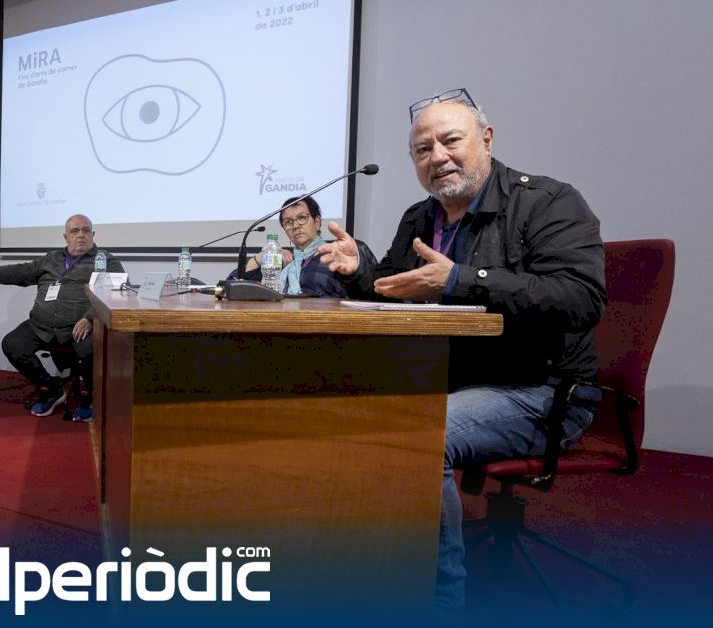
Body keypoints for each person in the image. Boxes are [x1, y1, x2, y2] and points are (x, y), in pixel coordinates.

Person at [317, 89, 607, 612]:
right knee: (337, 409)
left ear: (487, 140)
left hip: (541, 390)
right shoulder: (419, 217)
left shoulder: (548, 202)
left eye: (450, 141)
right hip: (451, 381)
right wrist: (359, 269)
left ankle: (438, 603)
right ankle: (366, 565)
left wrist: (462, 279)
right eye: (422, 150)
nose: (438, 157)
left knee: (418, 435)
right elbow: (395, 290)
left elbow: (580, 299)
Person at [0, 214, 124, 421]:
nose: (81, 235)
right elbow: (19, 271)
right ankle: (50, 387)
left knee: (89, 348)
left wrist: (90, 318)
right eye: (75, 231)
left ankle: (85, 398)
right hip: (41, 326)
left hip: (79, 328)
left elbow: (116, 293)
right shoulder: (51, 259)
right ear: (66, 237)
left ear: (93, 234)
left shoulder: (107, 261)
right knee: (13, 345)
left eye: (86, 230)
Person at [230, 196, 362, 296]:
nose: (295, 225)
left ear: (317, 222)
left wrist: (358, 264)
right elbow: (233, 285)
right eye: (288, 222)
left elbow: (362, 291)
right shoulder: (282, 260)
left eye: (302, 217)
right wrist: (260, 257)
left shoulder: (334, 256)